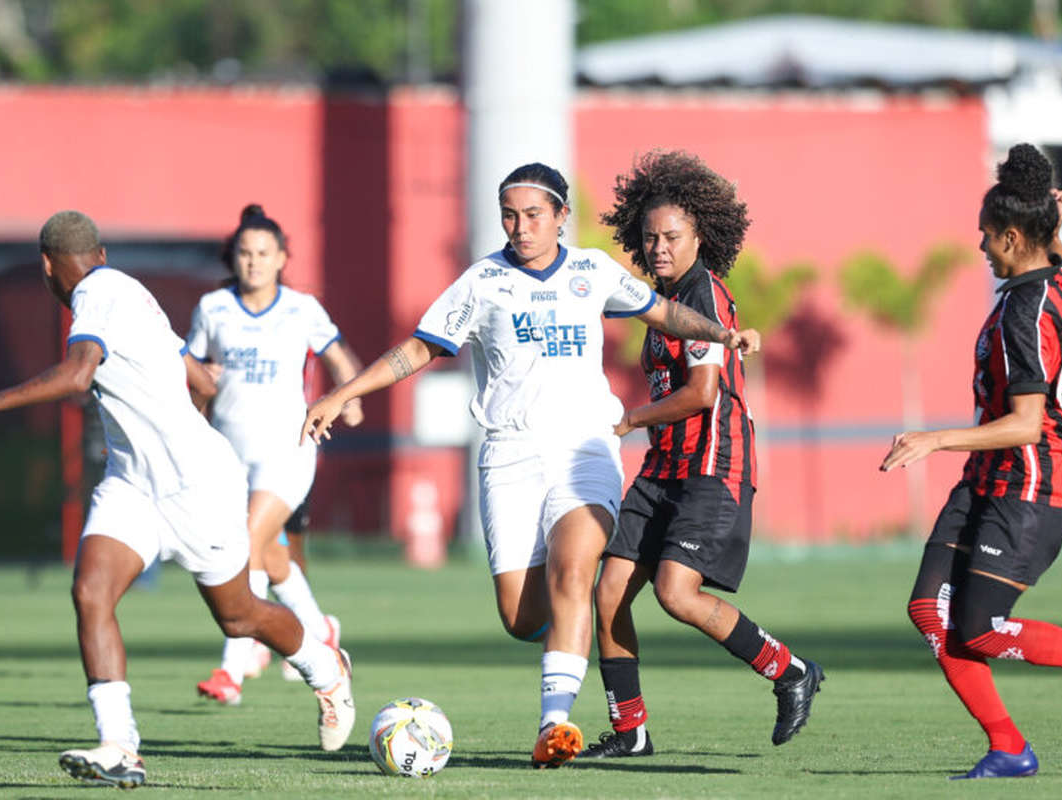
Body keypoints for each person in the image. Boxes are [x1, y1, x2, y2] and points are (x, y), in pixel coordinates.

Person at [301, 162, 759, 768]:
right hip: (509, 456)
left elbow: (665, 314)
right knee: (522, 617)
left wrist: (722, 335)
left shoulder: (592, 271)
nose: (520, 227)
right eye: (510, 216)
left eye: (533, 215)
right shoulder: (483, 281)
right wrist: (345, 391)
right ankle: (563, 658)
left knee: (575, 575)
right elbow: (420, 347)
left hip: (585, 451)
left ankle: (555, 726)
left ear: (561, 216)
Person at [0, 211, 355, 789]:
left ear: (46, 267)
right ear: (100, 253)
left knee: (239, 618)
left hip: (197, 489)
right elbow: (203, 383)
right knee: (91, 591)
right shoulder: (130, 293)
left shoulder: (95, 296)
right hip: (132, 484)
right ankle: (120, 746)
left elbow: (78, 376)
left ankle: (326, 670)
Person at [577, 150, 823, 760]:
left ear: (700, 236)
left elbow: (702, 392)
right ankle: (631, 731)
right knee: (607, 592)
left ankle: (790, 670)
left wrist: (630, 418)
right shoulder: (660, 301)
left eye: (672, 236)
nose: (658, 246)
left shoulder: (704, 294)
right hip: (665, 469)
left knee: (676, 593)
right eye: (650, 236)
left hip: (714, 465)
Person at [883, 143, 1062, 780]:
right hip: (987, 482)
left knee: (978, 631)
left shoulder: (1029, 309)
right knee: (930, 611)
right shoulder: (1052, 281)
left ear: (1011, 235)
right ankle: (1008, 747)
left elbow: (1028, 423)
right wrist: (1054, 236)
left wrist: (934, 439)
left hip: (1032, 487)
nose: (981, 248)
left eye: (988, 237)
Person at [187, 205, 363, 703]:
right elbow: (192, 369)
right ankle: (319, 628)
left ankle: (232, 669)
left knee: (245, 544)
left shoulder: (301, 309)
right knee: (270, 554)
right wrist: (200, 382)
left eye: (264, 253)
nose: (254, 262)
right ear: (234, 258)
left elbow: (336, 352)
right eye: (245, 253)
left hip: (288, 449)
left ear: (282, 257)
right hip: (228, 453)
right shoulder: (213, 309)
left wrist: (350, 397)